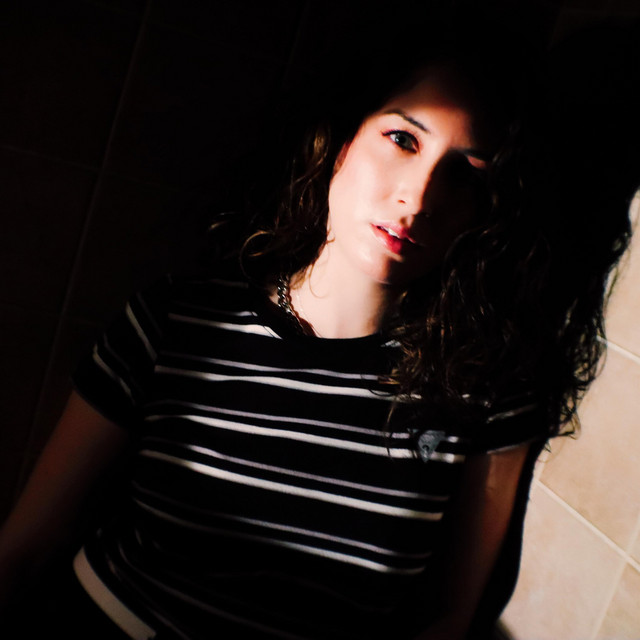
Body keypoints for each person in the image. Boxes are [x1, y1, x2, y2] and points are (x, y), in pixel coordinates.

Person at [0, 18, 636, 640]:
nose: (418, 198)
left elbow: (447, 619)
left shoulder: (483, 387)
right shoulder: (172, 322)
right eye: (403, 139)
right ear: (339, 141)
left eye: (467, 173)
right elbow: (23, 552)